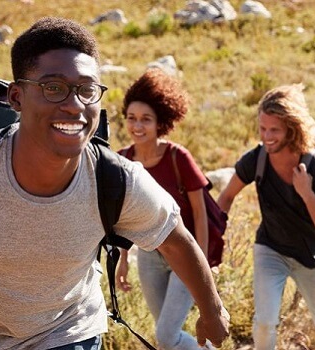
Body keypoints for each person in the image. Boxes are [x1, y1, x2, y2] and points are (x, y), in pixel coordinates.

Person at [0, 17, 229, 350]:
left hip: (70, 332)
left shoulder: (116, 179)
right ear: (16, 97)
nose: (75, 106)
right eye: (54, 88)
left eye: (87, 89)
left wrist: (212, 311)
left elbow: (175, 239)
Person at [216, 83, 315, 350]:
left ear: (291, 129)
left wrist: (307, 193)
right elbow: (226, 197)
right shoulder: (257, 159)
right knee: (264, 323)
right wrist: (212, 237)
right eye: (262, 129)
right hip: (271, 248)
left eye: (274, 130)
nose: (266, 136)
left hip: (312, 254)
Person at [115, 68, 213, 349]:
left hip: (185, 253)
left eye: (146, 119)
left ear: (160, 122)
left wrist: (201, 263)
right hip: (148, 256)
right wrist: (123, 258)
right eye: (132, 118)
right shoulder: (121, 160)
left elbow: (200, 212)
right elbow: (123, 217)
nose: (137, 126)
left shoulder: (177, 157)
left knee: (166, 337)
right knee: (167, 335)